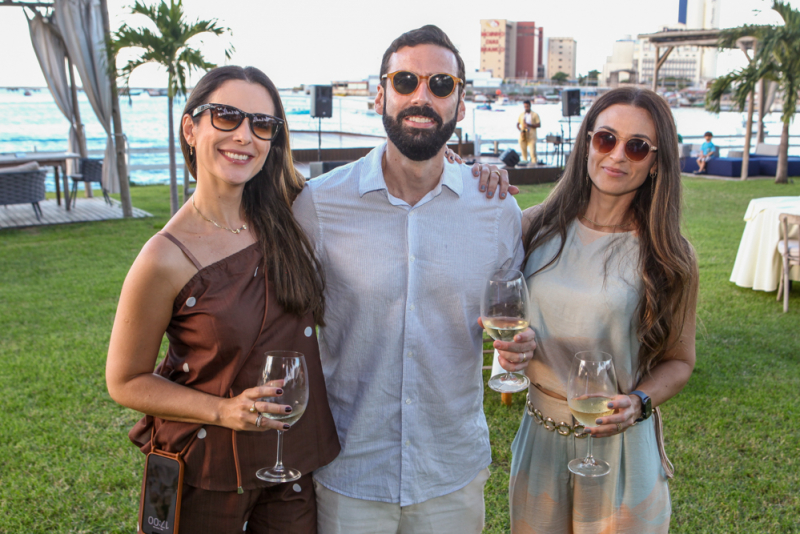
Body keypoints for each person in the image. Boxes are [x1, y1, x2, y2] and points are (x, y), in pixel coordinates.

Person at [293, 25, 536, 534]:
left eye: (441, 85)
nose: (421, 97)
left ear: (461, 105)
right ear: (380, 94)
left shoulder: (495, 208)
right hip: (349, 469)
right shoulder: (319, 204)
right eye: (406, 81)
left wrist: (518, 349)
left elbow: (508, 315)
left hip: (450, 471)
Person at [106, 66, 340, 533]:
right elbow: (125, 380)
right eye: (227, 117)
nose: (244, 136)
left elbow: (382, 185)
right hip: (201, 470)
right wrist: (222, 410)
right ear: (191, 128)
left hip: (288, 466)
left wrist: (453, 165)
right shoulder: (164, 257)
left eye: (261, 123)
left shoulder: (292, 212)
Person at [500, 87, 698, 533]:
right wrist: (508, 350)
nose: (617, 156)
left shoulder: (668, 256)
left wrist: (639, 402)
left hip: (620, 448)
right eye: (606, 138)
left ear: (655, 162)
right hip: (540, 443)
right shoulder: (532, 227)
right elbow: (498, 316)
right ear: (587, 141)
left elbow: (680, 362)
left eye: (637, 146)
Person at [517, 100, 541, 165]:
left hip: (531, 136)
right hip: (523, 135)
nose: (526, 108)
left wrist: (529, 125)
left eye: (527, 106)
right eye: (525, 106)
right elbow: (517, 124)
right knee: (523, 152)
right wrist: (520, 130)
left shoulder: (535, 114)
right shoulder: (522, 114)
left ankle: (534, 167)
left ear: (530, 106)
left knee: (533, 153)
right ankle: (525, 166)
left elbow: (539, 125)